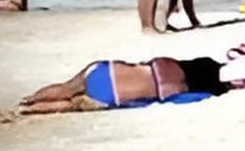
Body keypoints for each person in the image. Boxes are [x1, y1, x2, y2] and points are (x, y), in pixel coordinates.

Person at [19, 51, 245, 114]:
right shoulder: (187, 92)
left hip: (107, 70)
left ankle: (29, 100)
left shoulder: (182, 64)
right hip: (113, 96)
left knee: (67, 87)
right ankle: (31, 111)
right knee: (71, 105)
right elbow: (177, 101)